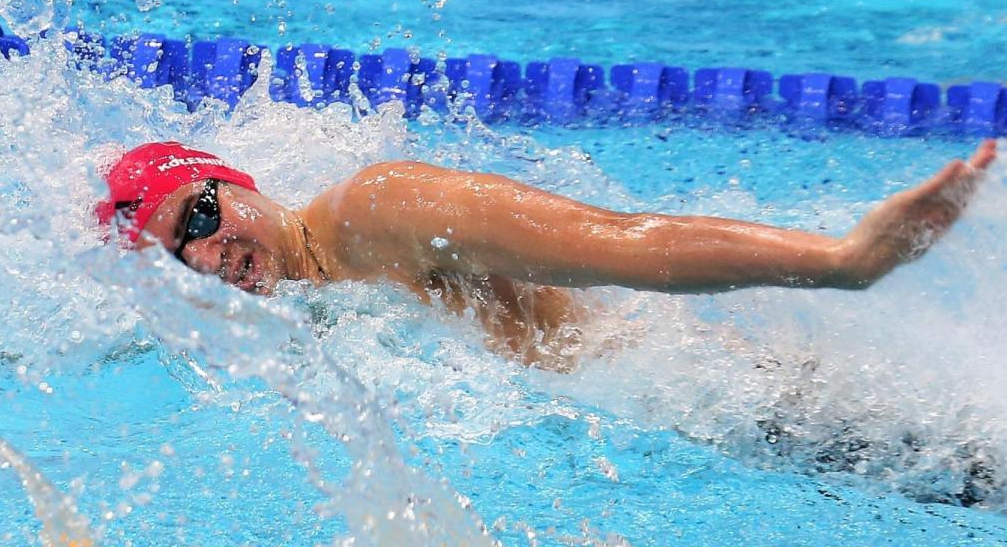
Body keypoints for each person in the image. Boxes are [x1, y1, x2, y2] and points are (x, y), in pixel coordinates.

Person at [96, 140, 998, 367]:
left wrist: (844, 261)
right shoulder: (308, 299)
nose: (206, 257)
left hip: (756, 410)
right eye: (177, 255)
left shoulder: (378, 211)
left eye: (200, 215)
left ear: (237, 181)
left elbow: (621, 242)